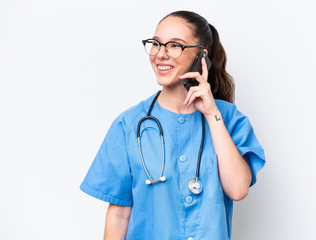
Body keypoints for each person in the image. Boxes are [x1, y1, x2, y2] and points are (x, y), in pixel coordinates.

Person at [80, 10, 265, 240]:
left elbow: (238, 189)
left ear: (201, 56)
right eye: (156, 44)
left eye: (174, 46)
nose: (161, 54)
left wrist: (211, 113)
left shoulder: (227, 118)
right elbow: (119, 215)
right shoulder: (128, 125)